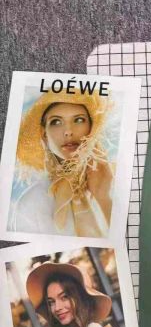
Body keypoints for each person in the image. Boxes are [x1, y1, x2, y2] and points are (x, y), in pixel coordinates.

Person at [9, 88, 115, 237]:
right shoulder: (32, 201)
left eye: (79, 120)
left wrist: (104, 197)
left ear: (91, 128)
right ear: (44, 135)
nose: (68, 131)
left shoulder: (117, 182)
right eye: (56, 122)